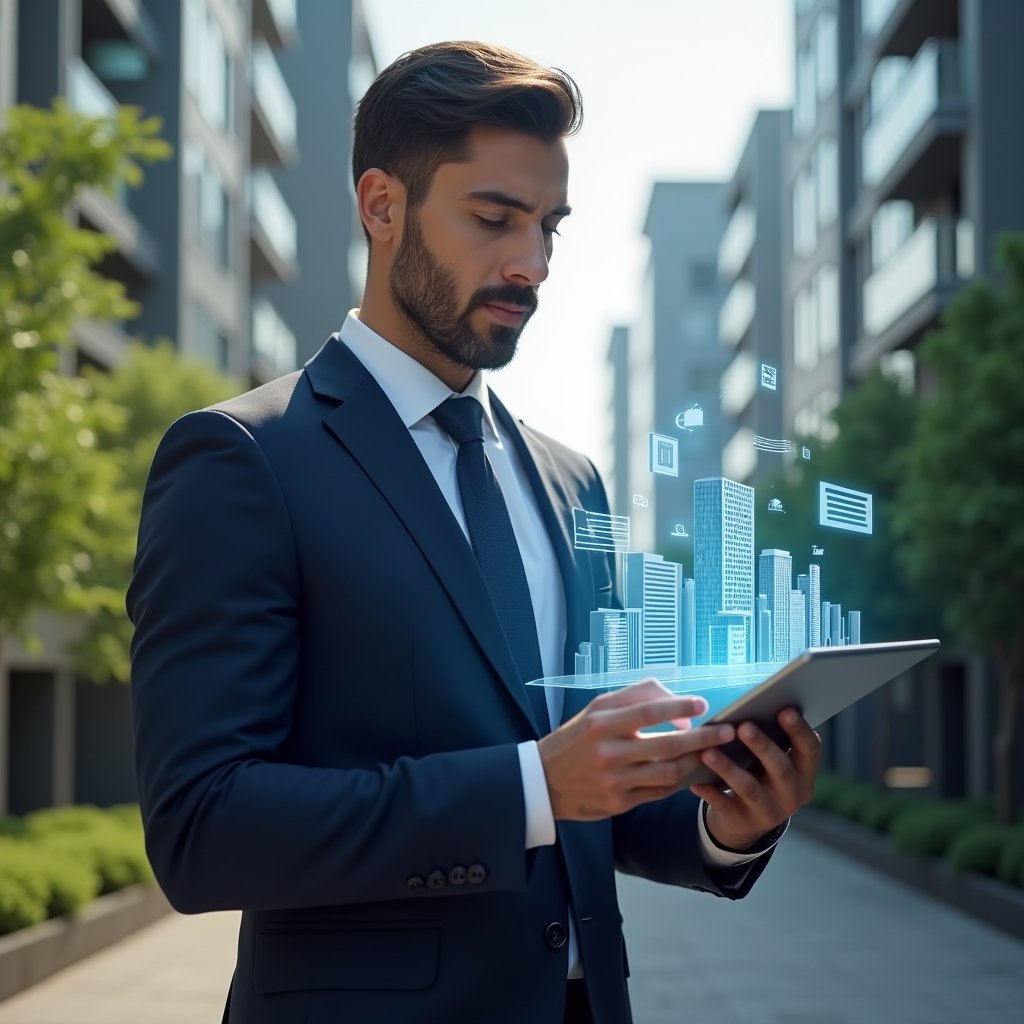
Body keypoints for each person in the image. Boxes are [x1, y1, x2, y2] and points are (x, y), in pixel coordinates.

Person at [128, 40, 821, 1024]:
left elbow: (597, 796)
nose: (531, 263)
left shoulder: (569, 481)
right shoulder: (244, 460)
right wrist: (530, 784)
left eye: (549, 226)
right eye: (495, 218)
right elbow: (203, 828)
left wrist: (726, 822)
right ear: (381, 206)